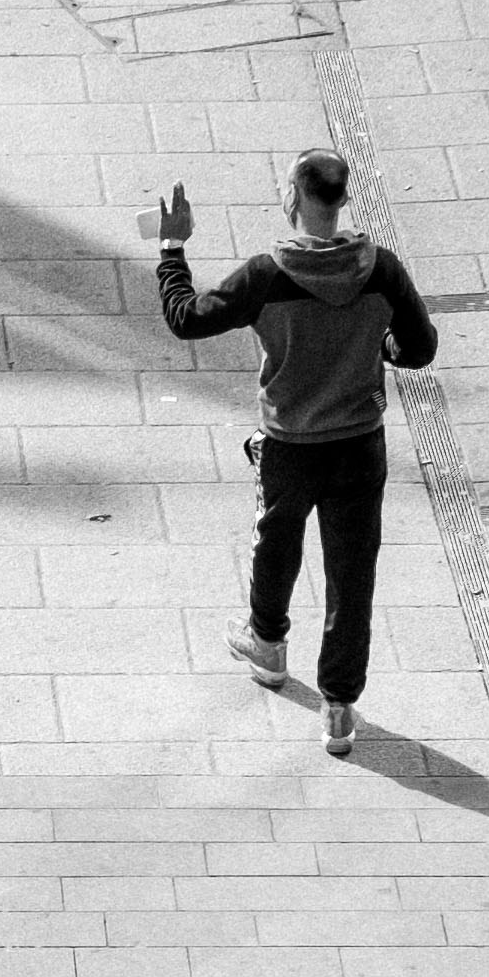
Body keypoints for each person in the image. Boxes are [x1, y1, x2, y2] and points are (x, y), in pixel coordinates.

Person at [156, 148, 439, 758]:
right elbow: (419, 349)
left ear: (292, 198)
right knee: (352, 575)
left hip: (289, 444)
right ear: (342, 199)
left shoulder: (267, 275)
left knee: (276, 543)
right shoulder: (381, 270)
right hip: (360, 444)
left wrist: (172, 249)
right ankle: (338, 708)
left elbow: (186, 319)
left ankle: (267, 645)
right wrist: (377, 347)